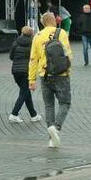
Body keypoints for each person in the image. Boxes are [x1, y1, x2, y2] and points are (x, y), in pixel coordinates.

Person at [28, 11, 72, 148]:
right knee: (65, 103)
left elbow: (33, 59)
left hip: (44, 75)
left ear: (43, 22)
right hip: (61, 75)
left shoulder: (37, 36)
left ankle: (51, 139)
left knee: (49, 105)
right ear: (53, 20)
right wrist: (68, 69)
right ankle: (56, 128)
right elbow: (67, 53)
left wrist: (31, 79)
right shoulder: (62, 33)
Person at [8, 25, 43, 123]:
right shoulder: (32, 43)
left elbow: (11, 57)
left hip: (15, 71)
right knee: (24, 93)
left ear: (22, 32)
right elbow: (36, 57)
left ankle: (33, 115)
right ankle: (14, 114)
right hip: (27, 71)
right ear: (32, 34)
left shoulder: (15, 42)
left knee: (25, 92)